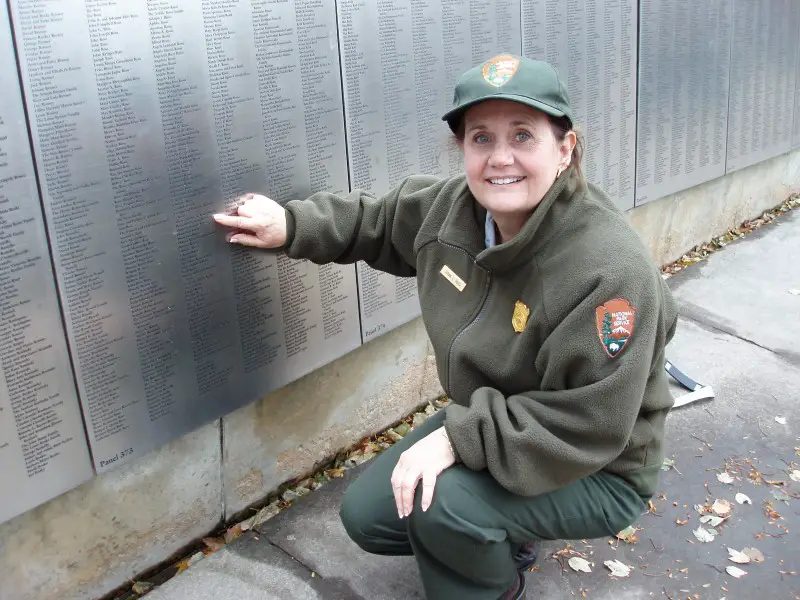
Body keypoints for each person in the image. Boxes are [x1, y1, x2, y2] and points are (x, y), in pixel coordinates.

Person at [213, 55, 678, 600]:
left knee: (442, 506)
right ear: (463, 149)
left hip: (597, 466)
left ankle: (493, 585)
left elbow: (590, 424)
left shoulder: (607, 272)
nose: (500, 158)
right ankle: (499, 537)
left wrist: (457, 439)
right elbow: (376, 222)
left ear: (565, 148)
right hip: (498, 423)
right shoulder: (452, 210)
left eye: (523, 136)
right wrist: (290, 225)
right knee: (371, 516)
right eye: (481, 138)